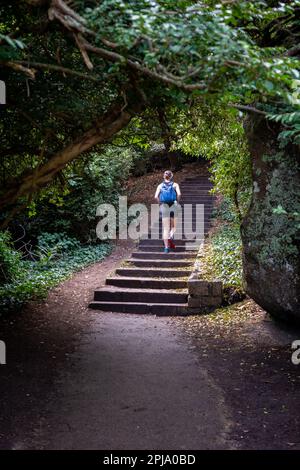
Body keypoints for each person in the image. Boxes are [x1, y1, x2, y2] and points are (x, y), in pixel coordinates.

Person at [154, 170, 181, 253]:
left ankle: (166, 248)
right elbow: (179, 194)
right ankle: (170, 236)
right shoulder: (175, 184)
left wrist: (160, 204)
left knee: (165, 228)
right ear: (171, 176)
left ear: (164, 176)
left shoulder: (160, 186)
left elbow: (155, 197)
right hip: (173, 205)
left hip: (164, 206)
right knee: (174, 226)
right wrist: (177, 202)